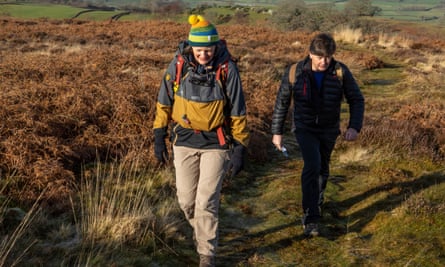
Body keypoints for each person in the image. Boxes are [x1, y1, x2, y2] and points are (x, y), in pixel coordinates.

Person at [153, 15, 250, 266]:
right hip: (183, 140)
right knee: (186, 200)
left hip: (216, 143)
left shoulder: (227, 69)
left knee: (206, 200)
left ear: (216, 47)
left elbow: (238, 110)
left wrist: (240, 146)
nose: (204, 54)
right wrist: (158, 135)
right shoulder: (177, 66)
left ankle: (206, 254)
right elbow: (164, 102)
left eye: (208, 49)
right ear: (191, 47)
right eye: (199, 50)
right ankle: (204, 233)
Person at [271, 33, 364, 237]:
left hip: (329, 129)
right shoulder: (295, 71)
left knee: (323, 168)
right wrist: (276, 132)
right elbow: (282, 102)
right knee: (312, 166)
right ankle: (311, 217)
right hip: (304, 128)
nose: (324, 61)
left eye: (328, 56)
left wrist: (354, 127)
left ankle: (317, 202)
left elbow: (357, 99)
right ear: (310, 54)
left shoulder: (340, 71)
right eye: (320, 56)